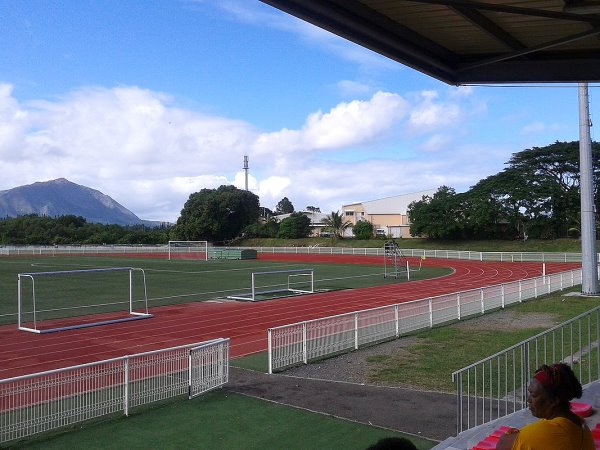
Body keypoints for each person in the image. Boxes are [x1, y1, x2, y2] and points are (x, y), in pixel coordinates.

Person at [496, 363, 595, 450]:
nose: (529, 400)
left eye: (534, 395)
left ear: (554, 400)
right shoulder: (579, 423)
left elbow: (502, 444)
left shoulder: (553, 431)